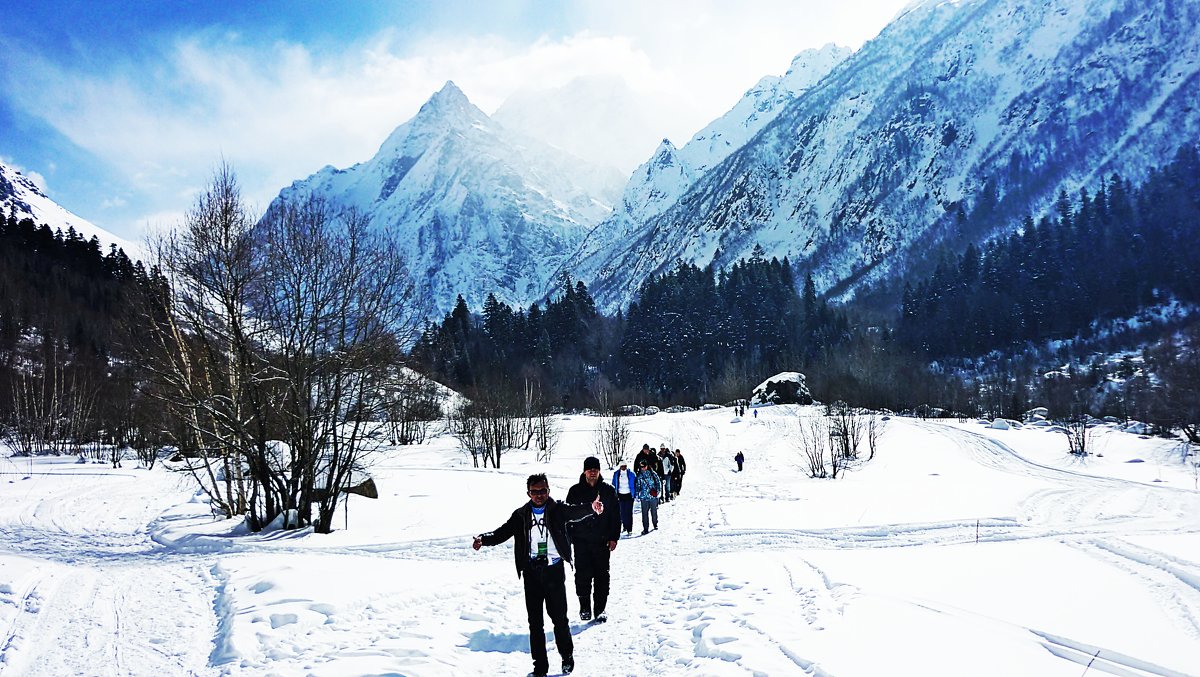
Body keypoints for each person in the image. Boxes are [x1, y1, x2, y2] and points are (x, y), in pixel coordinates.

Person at [472, 473, 603, 677]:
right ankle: (540, 668)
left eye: (543, 491)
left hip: (554, 571)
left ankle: (567, 656)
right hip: (532, 573)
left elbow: (574, 512)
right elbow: (503, 532)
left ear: (548, 490)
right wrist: (484, 539)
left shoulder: (557, 509)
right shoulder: (521, 515)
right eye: (535, 492)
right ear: (528, 493)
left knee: (559, 620)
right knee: (535, 623)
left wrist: (591, 508)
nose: (539, 495)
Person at [566, 457, 620, 623]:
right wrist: (570, 539)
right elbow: (567, 516)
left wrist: (614, 537)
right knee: (582, 575)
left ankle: (600, 609)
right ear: (584, 471)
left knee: (602, 576)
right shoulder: (575, 491)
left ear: (599, 471)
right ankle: (584, 607)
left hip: (601, 541)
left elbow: (615, 516)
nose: (592, 472)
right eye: (589, 469)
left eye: (595, 469)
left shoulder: (608, 491)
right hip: (581, 542)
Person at [635, 460, 660, 534]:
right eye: (641, 467)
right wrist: (637, 495)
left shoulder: (652, 473)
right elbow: (638, 486)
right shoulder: (639, 475)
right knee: (644, 514)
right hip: (644, 497)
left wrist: (658, 491)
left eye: (644, 466)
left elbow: (658, 482)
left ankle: (655, 524)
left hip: (652, 496)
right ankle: (645, 528)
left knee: (654, 511)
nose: (643, 468)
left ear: (647, 466)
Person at [612, 460, 636, 535]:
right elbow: (613, 484)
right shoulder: (616, 474)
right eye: (622, 466)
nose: (624, 468)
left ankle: (629, 529)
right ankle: (624, 526)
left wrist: (635, 494)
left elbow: (635, 483)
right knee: (622, 512)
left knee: (629, 512)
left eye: (625, 466)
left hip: (629, 494)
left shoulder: (631, 474)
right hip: (620, 494)